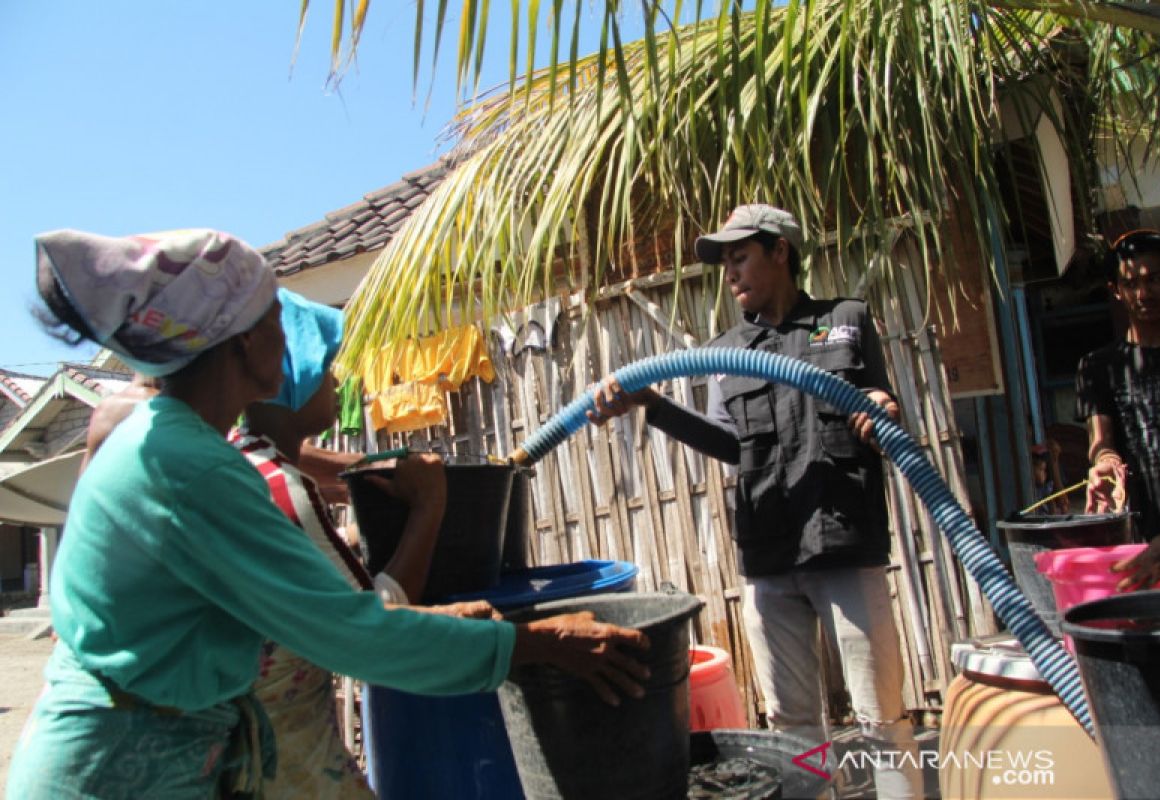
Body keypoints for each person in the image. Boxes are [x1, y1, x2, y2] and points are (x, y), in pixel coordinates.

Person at [8, 228, 649, 799]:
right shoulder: (194, 469)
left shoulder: (169, 438)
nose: (284, 336)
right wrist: (542, 643)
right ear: (242, 340)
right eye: (272, 319)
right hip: (114, 770)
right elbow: (354, 634)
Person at [588, 205, 922, 798]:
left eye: (739, 257)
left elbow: (881, 397)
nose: (730, 274)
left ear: (780, 252)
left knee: (879, 719)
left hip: (845, 543)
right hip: (770, 558)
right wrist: (653, 406)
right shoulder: (726, 352)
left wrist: (883, 408)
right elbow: (729, 444)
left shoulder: (844, 320)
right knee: (794, 724)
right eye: (724, 264)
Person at [234, 288, 459, 798]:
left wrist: (368, 470)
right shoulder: (284, 489)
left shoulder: (240, 458)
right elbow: (377, 630)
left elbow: (310, 461)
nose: (339, 381)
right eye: (327, 368)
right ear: (295, 378)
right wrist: (429, 507)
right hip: (282, 756)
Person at [1075, 229, 1160, 588]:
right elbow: (1102, 443)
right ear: (1116, 290)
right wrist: (1106, 465)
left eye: (1155, 279)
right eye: (1130, 284)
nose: (1144, 294)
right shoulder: (1097, 367)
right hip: (1151, 550)